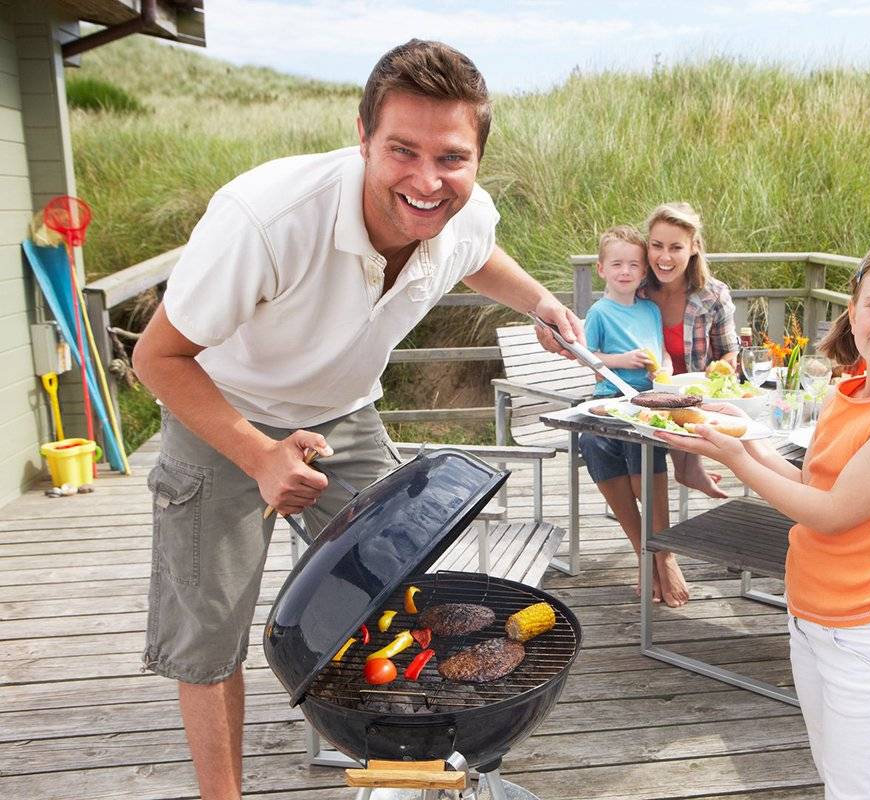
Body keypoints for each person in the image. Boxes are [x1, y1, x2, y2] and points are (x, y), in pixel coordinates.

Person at [131, 40, 583, 800]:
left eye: (452, 158)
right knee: (207, 633)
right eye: (403, 150)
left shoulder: (461, 212)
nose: (428, 181)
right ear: (363, 137)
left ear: (477, 158)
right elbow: (157, 358)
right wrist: (260, 455)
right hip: (222, 413)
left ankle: (404, 759)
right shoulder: (266, 219)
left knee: (401, 586)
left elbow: (477, 254)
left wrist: (538, 301)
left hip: (345, 412)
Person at [660, 237, 870, 799]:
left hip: (867, 633)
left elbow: (831, 516)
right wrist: (744, 434)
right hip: (810, 614)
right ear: (852, 313)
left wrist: (734, 458)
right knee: (832, 771)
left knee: (857, 788)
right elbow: (813, 486)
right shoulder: (844, 391)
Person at [576, 225, 687, 606]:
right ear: (601, 269)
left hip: (648, 399)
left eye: (634, 265)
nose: (625, 271)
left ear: (643, 271)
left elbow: (663, 352)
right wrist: (621, 360)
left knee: (643, 442)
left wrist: (665, 369)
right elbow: (588, 358)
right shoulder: (599, 312)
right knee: (593, 441)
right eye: (617, 264)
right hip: (610, 397)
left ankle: (663, 554)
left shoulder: (650, 310)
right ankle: (645, 552)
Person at [640, 201, 739, 504]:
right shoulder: (635, 290)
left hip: (695, 399)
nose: (664, 257)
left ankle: (689, 468)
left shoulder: (713, 294)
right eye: (657, 246)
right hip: (643, 395)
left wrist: (721, 368)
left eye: (676, 247)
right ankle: (687, 471)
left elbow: (729, 354)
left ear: (694, 247)